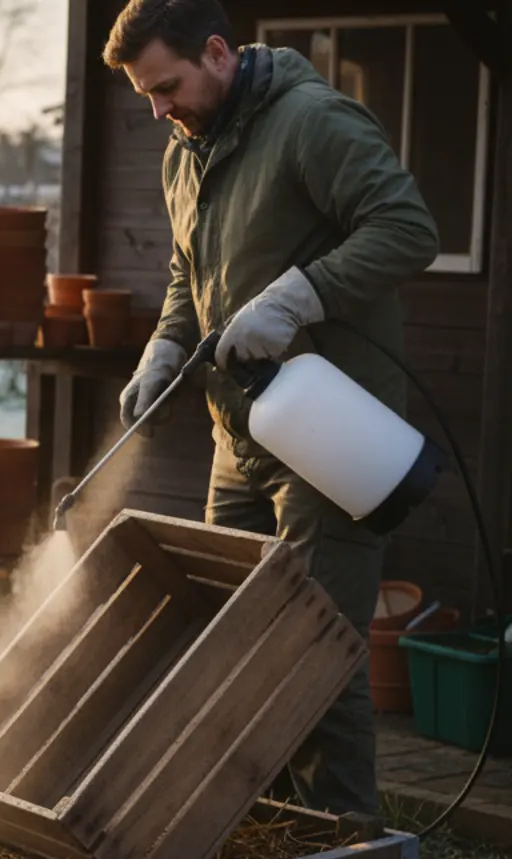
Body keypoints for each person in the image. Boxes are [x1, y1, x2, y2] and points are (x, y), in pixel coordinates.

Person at [104, 0, 440, 815]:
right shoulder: (187, 150)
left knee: (312, 655)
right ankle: (256, 840)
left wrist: (299, 295)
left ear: (218, 53)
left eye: (167, 87)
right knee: (233, 643)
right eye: (146, 95)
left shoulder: (311, 122)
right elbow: (191, 276)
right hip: (242, 436)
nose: (157, 110)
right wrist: (164, 348)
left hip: (328, 436)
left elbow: (408, 228)